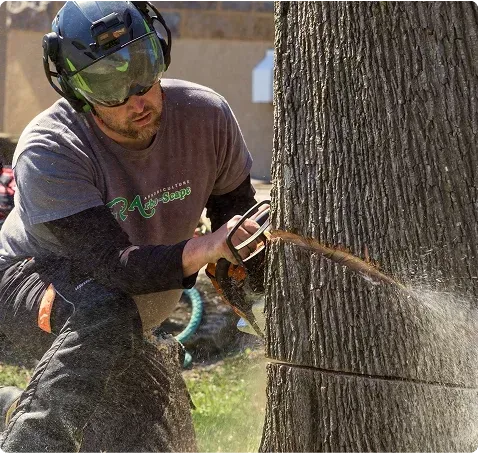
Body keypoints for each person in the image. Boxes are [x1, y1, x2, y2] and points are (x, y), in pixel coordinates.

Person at [0, 0, 263, 451]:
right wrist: (204, 249)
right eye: (109, 85)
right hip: (27, 283)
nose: (137, 99)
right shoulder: (50, 149)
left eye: (142, 69)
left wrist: (251, 287)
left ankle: (9, 408)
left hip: (127, 312)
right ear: (77, 89)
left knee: (165, 436)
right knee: (107, 324)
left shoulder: (207, 118)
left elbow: (236, 223)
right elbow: (112, 267)